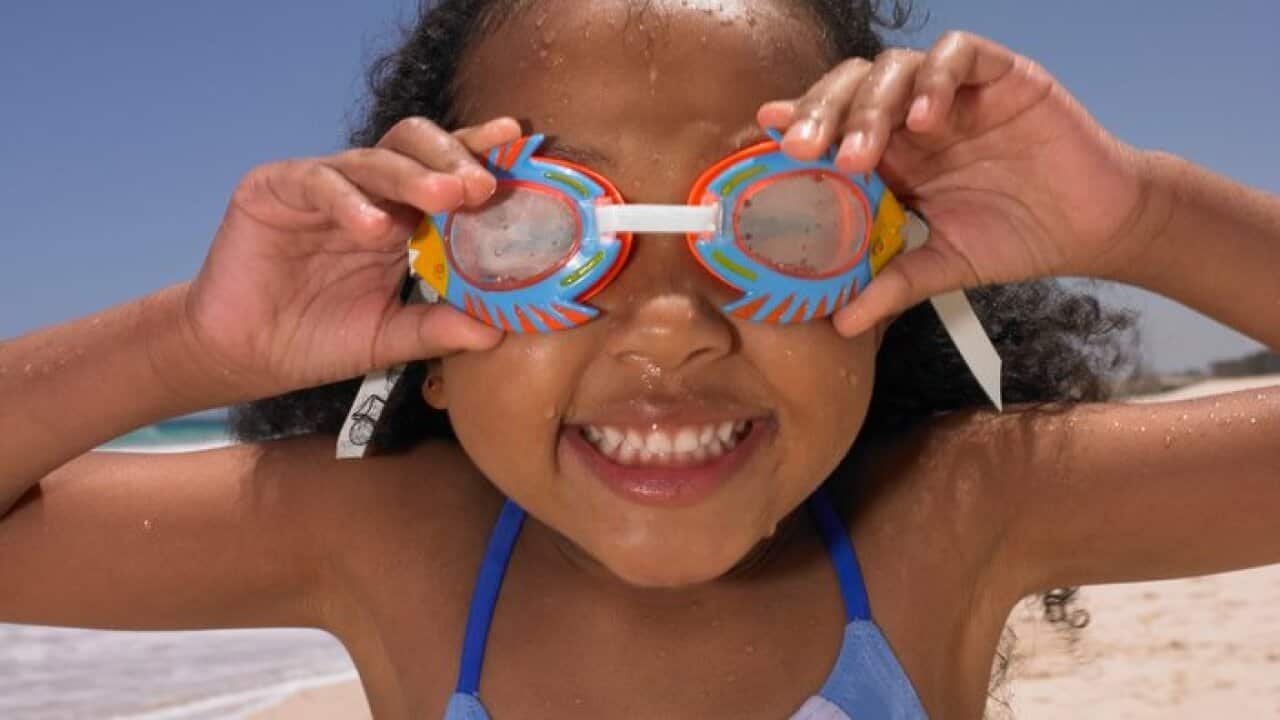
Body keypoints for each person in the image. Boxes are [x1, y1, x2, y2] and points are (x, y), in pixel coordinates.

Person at [1, 1, 1276, 717]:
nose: (669, 325)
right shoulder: (386, 541)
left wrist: (1136, 215)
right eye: (532, 234)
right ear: (425, 309)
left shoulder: (952, 513)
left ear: (889, 288)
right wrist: (191, 344)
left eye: (773, 224)